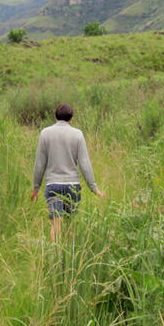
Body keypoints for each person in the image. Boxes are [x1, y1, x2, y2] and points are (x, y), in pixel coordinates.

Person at [31, 103, 106, 241]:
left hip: (53, 185)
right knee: (71, 224)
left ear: (55, 116)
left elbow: (39, 164)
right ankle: (70, 258)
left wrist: (36, 188)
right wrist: (94, 188)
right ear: (71, 118)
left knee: (56, 224)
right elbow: (85, 164)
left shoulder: (45, 133)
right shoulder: (77, 135)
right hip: (72, 186)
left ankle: (55, 257)